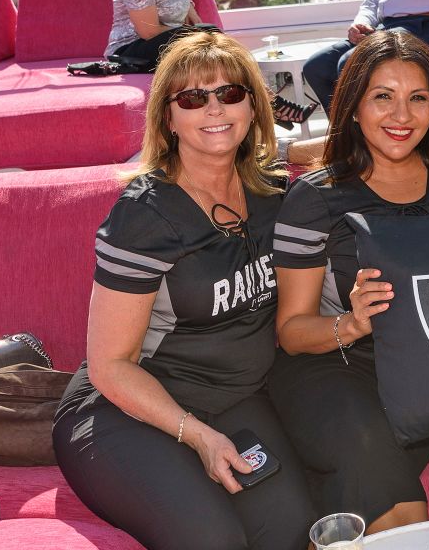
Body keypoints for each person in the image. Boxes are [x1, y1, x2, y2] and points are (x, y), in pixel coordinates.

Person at [53, 32, 314, 550]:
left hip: (236, 399)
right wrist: (197, 435)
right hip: (126, 409)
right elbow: (110, 365)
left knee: (289, 531)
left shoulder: (272, 191)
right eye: (193, 98)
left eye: (231, 94)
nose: (214, 108)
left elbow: (355, 148)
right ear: (168, 118)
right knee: (211, 539)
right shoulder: (145, 215)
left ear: (253, 106)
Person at [268, 31, 429, 534]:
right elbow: (292, 330)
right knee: (390, 497)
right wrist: (350, 323)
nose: (402, 116)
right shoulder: (315, 197)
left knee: (362, 490)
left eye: (418, 98)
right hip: (334, 365)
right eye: (382, 97)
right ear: (351, 107)